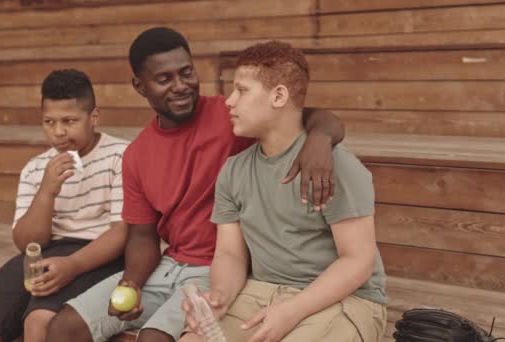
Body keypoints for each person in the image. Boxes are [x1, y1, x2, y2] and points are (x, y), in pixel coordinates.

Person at [46, 27, 344, 342]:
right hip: (169, 265)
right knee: (63, 327)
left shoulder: (233, 116)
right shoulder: (136, 155)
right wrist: (131, 282)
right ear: (139, 86)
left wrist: (320, 139)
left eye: (186, 73)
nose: (181, 86)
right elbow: (143, 237)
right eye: (164, 79)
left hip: (223, 267)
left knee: (152, 339)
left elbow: (314, 117)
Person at [181, 41, 388, 342]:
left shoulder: (335, 166)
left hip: (345, 299)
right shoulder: (233, 171)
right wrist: (220, 297)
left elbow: (358, 261)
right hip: (262, 290)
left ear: (278, 95)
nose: (229, 101)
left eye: (242, 90)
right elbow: (230, 254)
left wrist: (292, 310)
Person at [0, 69, 129, 342]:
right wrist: (47, 192)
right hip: (45, 253)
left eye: (69, 121)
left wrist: (72, 265)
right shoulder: (36, 167)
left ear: (94, 117)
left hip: (100, 253)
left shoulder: (121, 156)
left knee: (41, 320)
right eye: (49, 122)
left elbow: (122, 232)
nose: (58, 132)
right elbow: (27, 243)